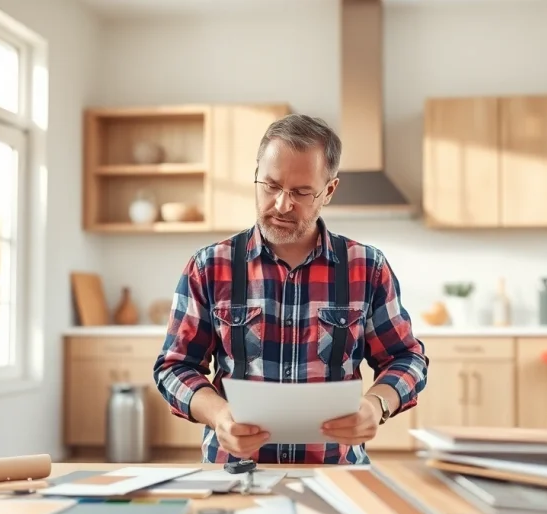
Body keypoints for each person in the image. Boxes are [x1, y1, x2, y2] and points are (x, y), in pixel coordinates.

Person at [153, 113, 428, 465]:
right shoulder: (209, 266)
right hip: (236, 474)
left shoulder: (367, 267)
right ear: (256, 177)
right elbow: (174, 367)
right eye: (270, 186)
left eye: (300, 192)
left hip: (337, 477)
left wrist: (377, 406)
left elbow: (407, 358)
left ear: (328, 191)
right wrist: (219, 414)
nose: (282, 205)